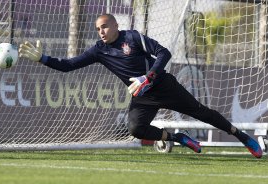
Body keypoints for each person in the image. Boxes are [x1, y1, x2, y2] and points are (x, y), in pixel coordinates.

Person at [19, 14, 263, 158]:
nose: (101, 32)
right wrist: (42, 58)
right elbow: (68, 65)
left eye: (104, 27)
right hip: (142, 96)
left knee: (203, 113)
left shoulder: (133, 37)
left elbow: (164, 53)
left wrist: (149, 77)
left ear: (115, 26)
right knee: (136, 129)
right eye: (97, 29)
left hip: (162, 85)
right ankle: (177, 138)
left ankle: (242, 137)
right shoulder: (99, 50)